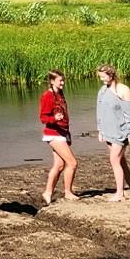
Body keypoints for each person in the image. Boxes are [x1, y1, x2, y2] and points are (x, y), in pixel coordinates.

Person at [94, 63, 130, 201]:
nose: (102, 80)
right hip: (108, 130)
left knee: (114, 159)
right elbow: (100, 111)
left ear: (111, 75)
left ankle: (120, 193)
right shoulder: (102, 91)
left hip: (121, 131)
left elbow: (129, 112)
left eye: (103, 77)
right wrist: (100, 129)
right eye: (100, 77)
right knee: (121, 162)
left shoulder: (123, 90)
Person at [39, 70, 81, 203]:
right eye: (60, 81)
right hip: (53, 133)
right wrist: (54, 118)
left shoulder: (60, 94)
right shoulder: (48, 96)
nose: (62, 83)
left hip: (62, 132)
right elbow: (43, 117)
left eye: (63, 80)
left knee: (59, 165)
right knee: (73, 163)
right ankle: (68, 192)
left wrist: (67, 133)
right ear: (52, 81)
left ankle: (47, 192)